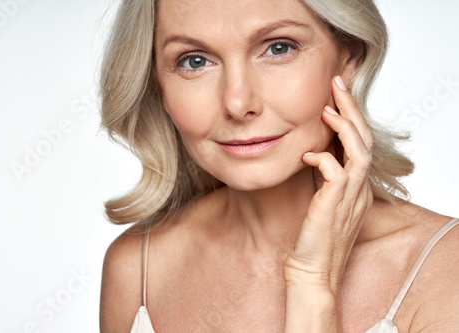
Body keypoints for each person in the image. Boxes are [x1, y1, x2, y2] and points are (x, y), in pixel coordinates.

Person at [99, 0, 459, 331]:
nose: (238, 104)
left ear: (349, 59)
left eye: (278, 48)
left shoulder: (444, 268)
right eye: (194, 61)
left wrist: (313, 284)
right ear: (159, 85)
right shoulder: (138, 269)